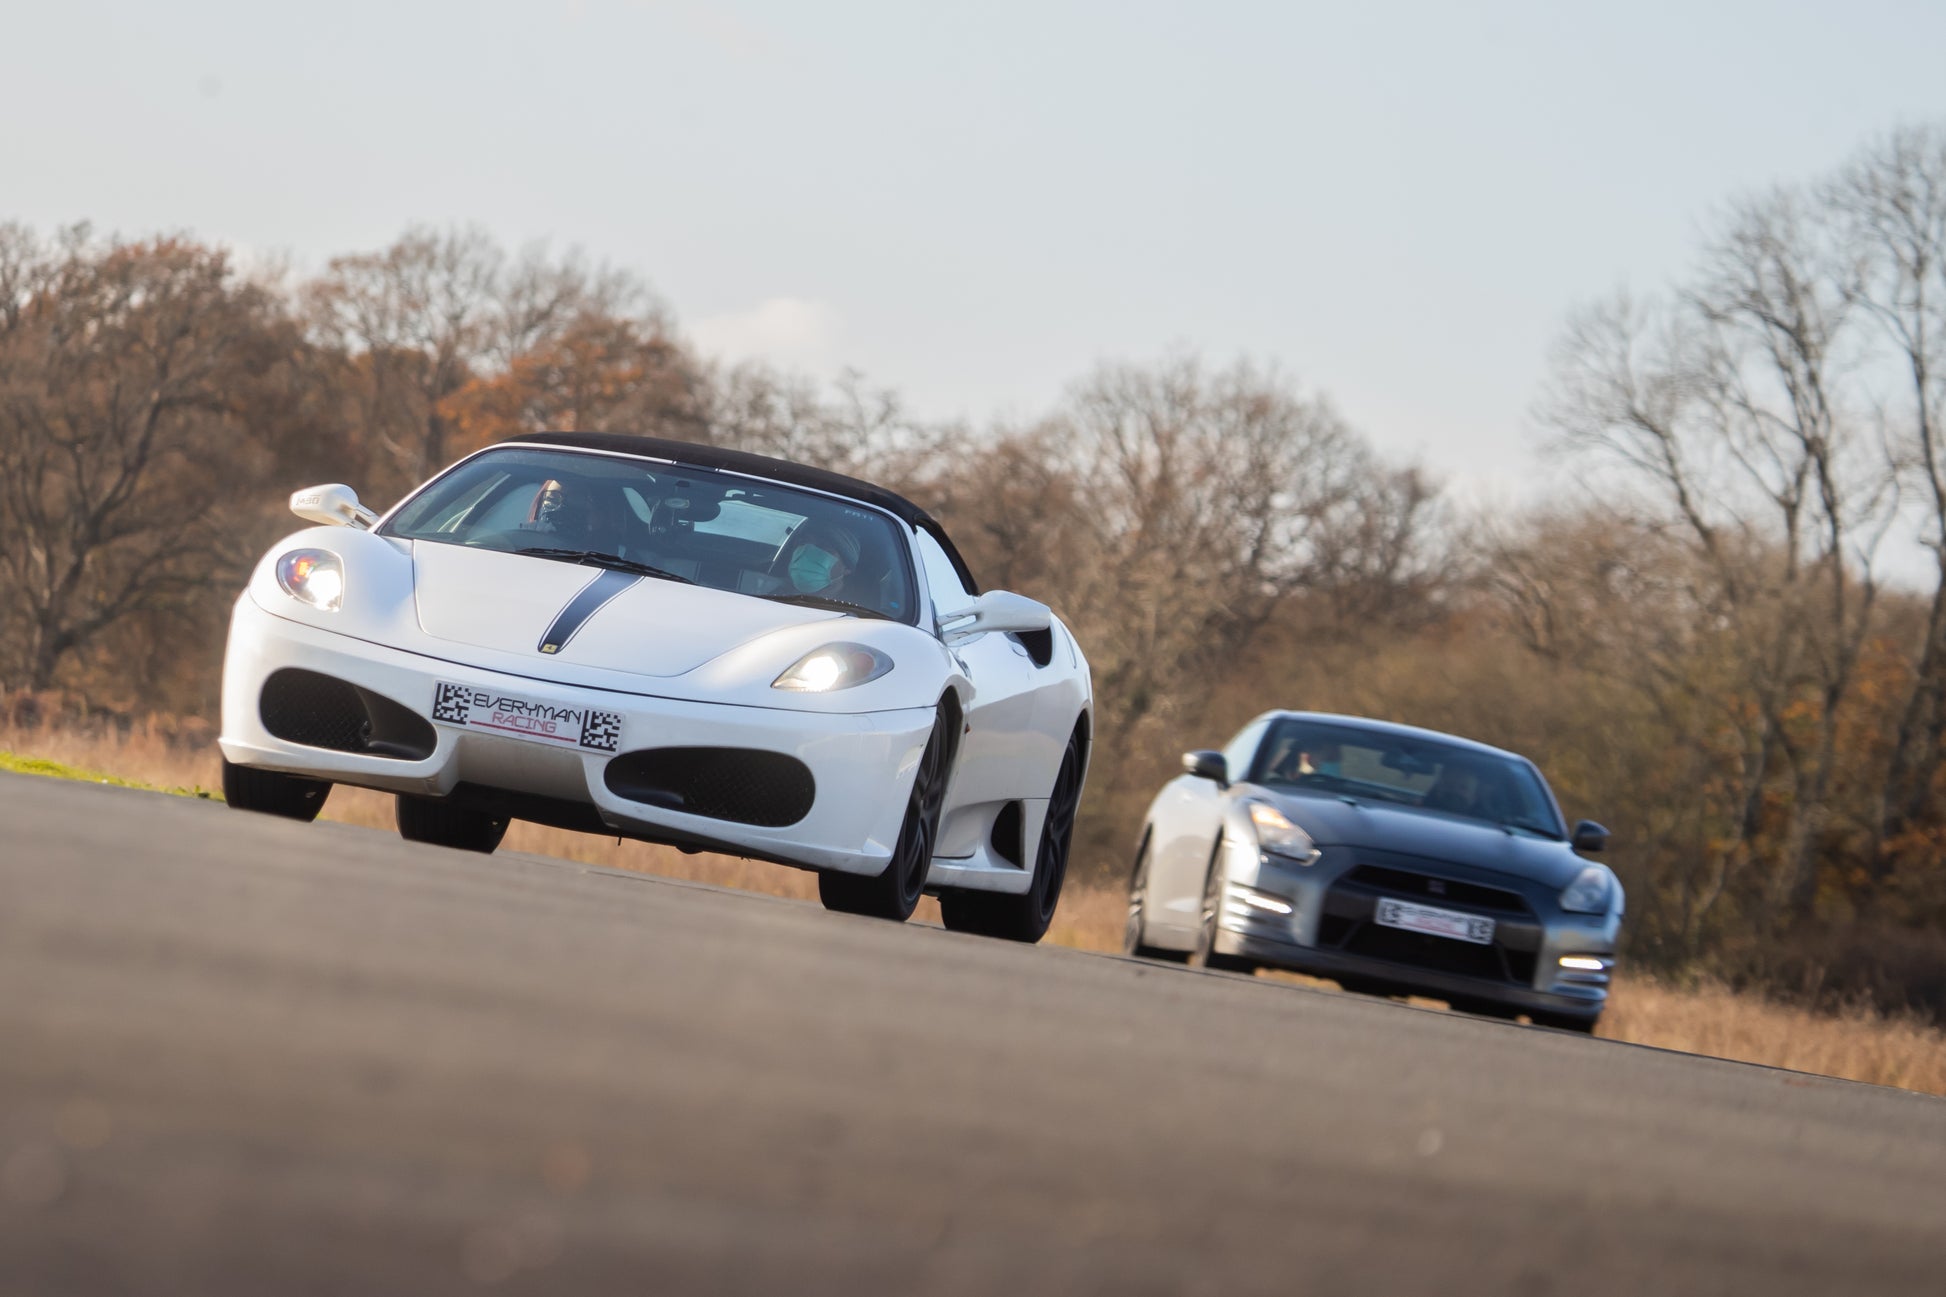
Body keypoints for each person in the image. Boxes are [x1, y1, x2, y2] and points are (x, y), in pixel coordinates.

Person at [526, 478, 622, 552]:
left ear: (600, 514)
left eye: (576, 500)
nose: (560, 508)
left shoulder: (610, 561)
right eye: (552, 499)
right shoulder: (523, 546)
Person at [782, 521, 862, 596]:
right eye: (803, 543)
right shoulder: (772, 588)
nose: (807, 553)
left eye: (823, 547)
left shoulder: (860, 606)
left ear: (847, 568)